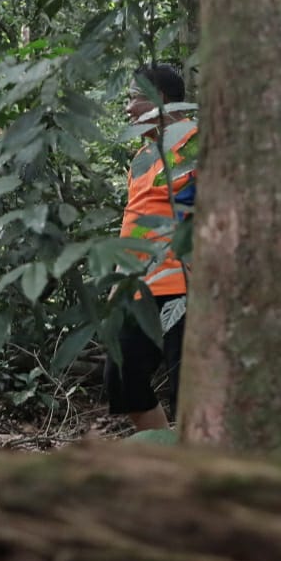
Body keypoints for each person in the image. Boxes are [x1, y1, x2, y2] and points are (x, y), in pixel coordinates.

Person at [103, 64, 197, 432]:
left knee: (188, 391)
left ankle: (202, 476)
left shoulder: (197, 144)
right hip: (137, 288)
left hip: (183, 288)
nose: (128, 109)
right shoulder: (143, 158)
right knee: (122, 380)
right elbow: (134, 220)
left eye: (134, 99)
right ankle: (169, 457)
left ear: (160, 99)